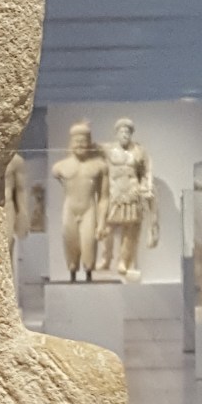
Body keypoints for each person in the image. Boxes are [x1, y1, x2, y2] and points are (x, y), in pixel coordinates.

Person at [98, 118, 159, 276]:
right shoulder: (108, 149)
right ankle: (106, 258)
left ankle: (123, 261)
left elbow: (147, 171)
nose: (125, 134)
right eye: (122, 131)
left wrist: (147, 186)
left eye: (128, 132)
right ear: (116, 133)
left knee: (130, 230)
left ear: (131, 134)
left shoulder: (139, 151)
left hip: (132, 192)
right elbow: (92, 152)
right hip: (114, 192)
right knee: (107, 228)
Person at [52, 122, 109, 281]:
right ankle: (72, 272)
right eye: (77, 141)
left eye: (83, 141)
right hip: (69, 209)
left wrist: (102, 223)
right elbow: (57, 174)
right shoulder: (60, 167)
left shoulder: (99, 166)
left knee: (88, 243)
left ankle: (88, 272)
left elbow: (104, 197)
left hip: (89, 209)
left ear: (89, 142)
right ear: (71, 142)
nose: (80, 144)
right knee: (69, 242)